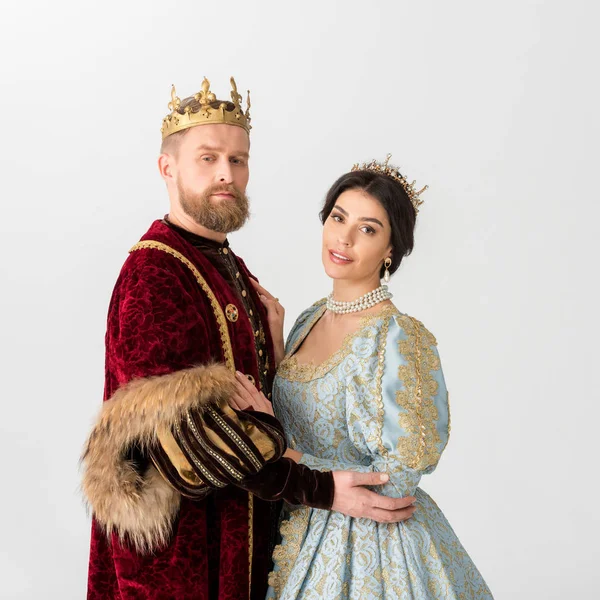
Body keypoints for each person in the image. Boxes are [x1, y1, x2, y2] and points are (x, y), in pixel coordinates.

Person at [80, 80, 417, 600]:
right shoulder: (153, 273)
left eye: (238, 160)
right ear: (166, 168)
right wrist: (320, 489)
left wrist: (276, 338)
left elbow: (261, 400)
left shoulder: (224, 262)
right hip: (178, 560)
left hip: (241, 539)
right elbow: (186, 438)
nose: (225, 174)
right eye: (208, 157)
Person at [230, 156, 494, 599]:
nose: (344, 237)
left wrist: (285, 454)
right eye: (338, 217)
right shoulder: (310, 318)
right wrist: (277, 346)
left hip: (370, 549)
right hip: (298, 524)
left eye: (368, 229)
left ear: (391, 251)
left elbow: (398, 481)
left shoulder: (398, 338)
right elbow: (307, 414)